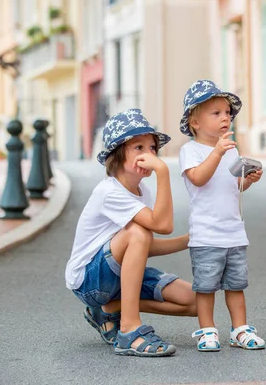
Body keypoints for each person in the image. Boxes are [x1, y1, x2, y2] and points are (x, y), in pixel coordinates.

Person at [65, 108, 196, 357]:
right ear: (118, 154)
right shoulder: (110, 192)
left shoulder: (142, 192)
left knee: (195, 301)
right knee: (138, 232)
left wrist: (188, 241)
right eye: (139, 148)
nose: (149, 154)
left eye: (152, 148)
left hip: (116, 278)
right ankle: (129, 330)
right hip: (90, 282)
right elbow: (161, 225)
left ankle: (113, 308)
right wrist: (163, 171)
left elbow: (144, 244)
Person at [178, 80, 266, 351]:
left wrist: (249, 180)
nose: (225, 117)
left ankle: (240, 329)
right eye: (216, 113)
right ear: (195, 122)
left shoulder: (231, 150)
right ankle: (207, 330)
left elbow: (234, 187)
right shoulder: (190, 151)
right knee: (205, 287)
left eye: (227, 113)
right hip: (206, 234)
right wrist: (216, 152)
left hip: (234, 232)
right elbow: (199, 179)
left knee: (236, 285)